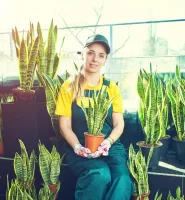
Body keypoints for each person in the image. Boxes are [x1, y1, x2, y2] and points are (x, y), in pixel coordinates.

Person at [55, 34, 133, 200]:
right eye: (91, 53)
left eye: (101, 55)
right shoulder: (69, 86)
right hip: (80, 147)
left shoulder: (111, 88)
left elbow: (119, 124)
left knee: (123, 179)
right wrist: (77, 147)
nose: (95, 59)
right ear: (83, 54)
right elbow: (65, 126)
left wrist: (108, 142)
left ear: (105, 60)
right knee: (98, 174)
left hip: (109, 145)